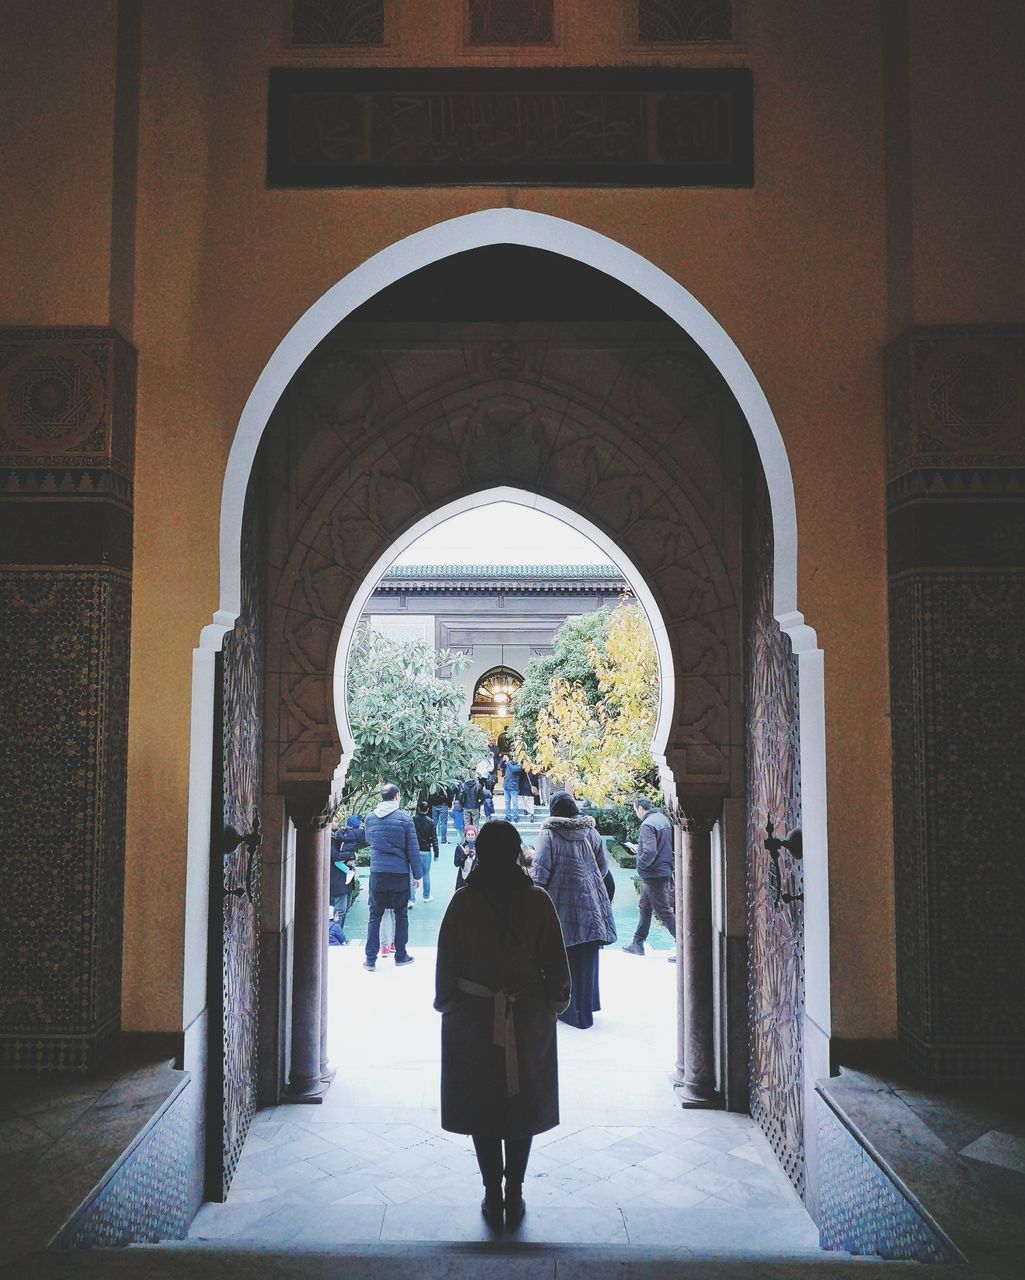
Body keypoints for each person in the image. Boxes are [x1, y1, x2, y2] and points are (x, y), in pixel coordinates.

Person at [435, 820, 571, 1228]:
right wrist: (555, 1003)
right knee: (521, 1102)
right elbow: (557, 965)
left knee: (482, 1104)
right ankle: (515, 1190)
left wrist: (447, 1004)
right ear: (516, 852)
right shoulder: (538, 900)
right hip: (527, 1017)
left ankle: (492, 1192)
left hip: (473, 1020)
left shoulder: (463, 902)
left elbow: (446, 962)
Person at [530, 792, 616, 1029]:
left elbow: (540, 874)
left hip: (562, 908)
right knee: (587, 958)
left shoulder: (549, 834)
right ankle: (587, 1008)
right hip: (592, 906)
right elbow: (603, 868)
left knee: (564, 960)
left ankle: (568, 1011)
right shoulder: (592, 832)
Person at [363, 784, 422, 972]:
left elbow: (368, 840)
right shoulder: (405, 819)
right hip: (399, 873)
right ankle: (401, 955)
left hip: (378, 872)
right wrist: (417, 874)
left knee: (375, 916)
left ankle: (370, 959)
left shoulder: (371, 818)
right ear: (397, 797)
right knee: (401, 914)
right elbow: (412, 848)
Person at [622, 796, 677, 960]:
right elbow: (661, 847)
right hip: (662, 869)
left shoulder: (647, 824)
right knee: (645, 906)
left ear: (640, 808)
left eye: (635, 810)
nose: (636, 814)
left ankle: (685, 947)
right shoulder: (662, 819)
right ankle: (637, 943)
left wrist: (641, 864)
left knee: (663, 911)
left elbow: (651, 852)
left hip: (654, 873)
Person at [329, 814, 366, 944]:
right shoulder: (331, 839)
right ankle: (334, 936)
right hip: (338, 880)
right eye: (333, 821)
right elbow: (335, 856)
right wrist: (352, 855)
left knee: (344, 909)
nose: (336, 823)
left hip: (345, 879)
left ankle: (338, 934)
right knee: (340, 910)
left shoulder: (340, 836)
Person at [412, 800, 439, 904]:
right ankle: (426, 896)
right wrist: (436, 853)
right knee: (426, 873)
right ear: (428, 810)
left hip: (414, 850)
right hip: (426, 850)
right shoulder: (431, 822)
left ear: (418, 809)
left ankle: (411, 899)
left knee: (412, 874)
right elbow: (434, 839)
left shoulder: (412, 820)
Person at [453, 823, 478, 891]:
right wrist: (464, 855)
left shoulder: (479, 848)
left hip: (476, 878)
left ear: (475, 836)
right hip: (463, 878)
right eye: (468, 834)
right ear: (465, 836)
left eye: (472, 834)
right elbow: (456, 863)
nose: (470, 836)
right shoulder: (460, 847)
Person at [502, 755, 524, 822]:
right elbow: (501, 766)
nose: (515, 758)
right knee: (507, 802)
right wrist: (503, 760)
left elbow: (514, 770)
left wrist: (508, 762)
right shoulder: (509, 763)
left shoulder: (520, 766)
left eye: (517, 757)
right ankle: (508, 816)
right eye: (514, 756)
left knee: (514, 803)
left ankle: (515, 817)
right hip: (506, 786)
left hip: (513, 787)